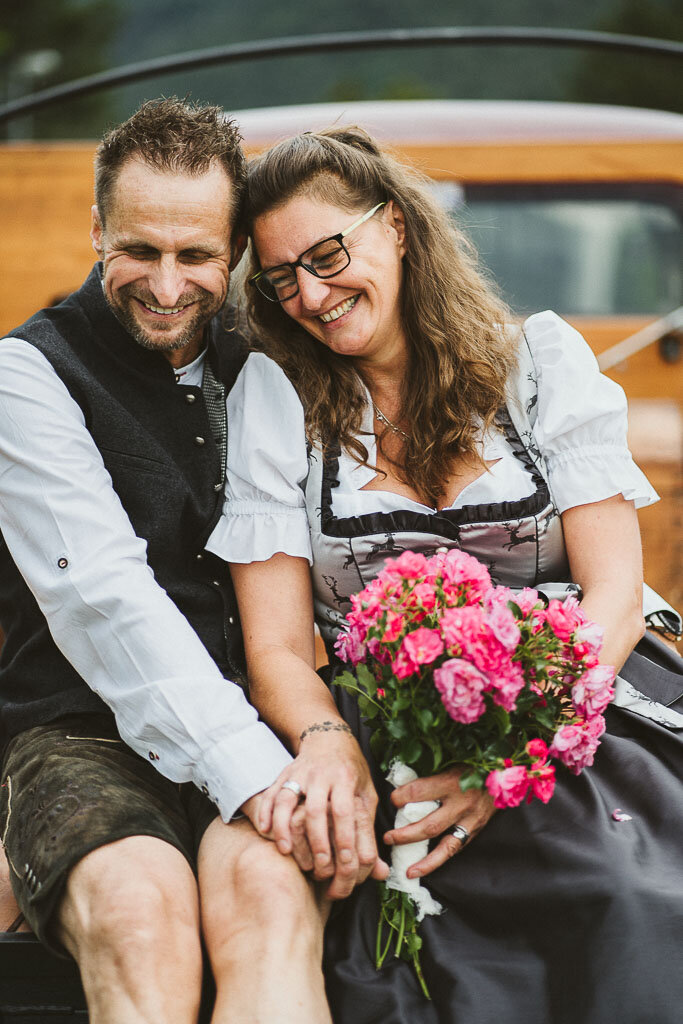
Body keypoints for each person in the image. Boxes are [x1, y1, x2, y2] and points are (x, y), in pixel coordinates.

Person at [205, 125, 683, 1024]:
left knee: (635, 900)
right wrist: (328, 743)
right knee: (407, 953)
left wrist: (509, 755)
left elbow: (613, 597)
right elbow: (274, 648)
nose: (310, 294)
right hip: (384, 723)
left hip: (577, 697)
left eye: (328, 253)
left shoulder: (538, 361)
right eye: (280, 280)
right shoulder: (279, 399)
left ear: (395, 226)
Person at [0, 100, 385, 1024]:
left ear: (235, 254)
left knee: (266, 908)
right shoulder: (26, 378)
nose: (167, 286)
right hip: (78, 735)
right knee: (141, 915)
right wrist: (262, 776)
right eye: (139, 249)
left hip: (256, 723)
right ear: (96, 229)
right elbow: (102, 599)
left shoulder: (271, 369)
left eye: (197, 256)